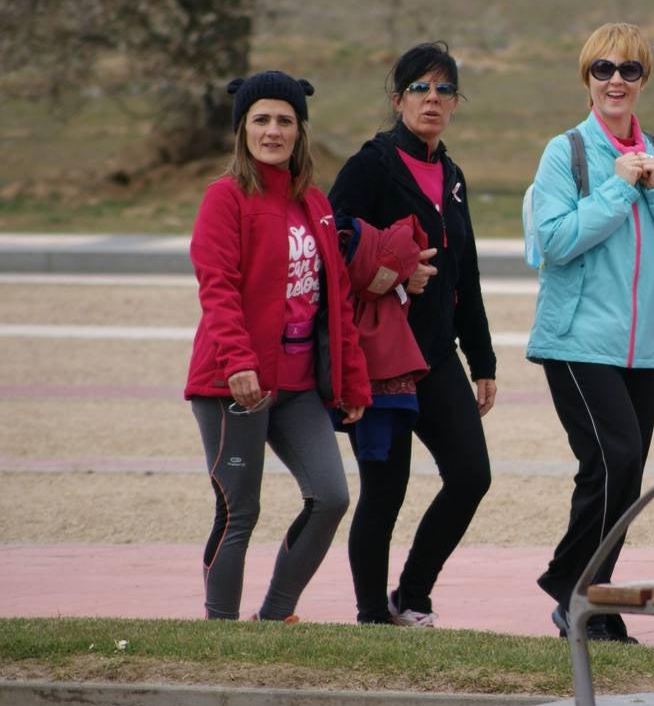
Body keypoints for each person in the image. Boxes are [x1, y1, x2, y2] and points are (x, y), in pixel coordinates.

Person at [527, 23, 654, 644]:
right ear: (587, 77)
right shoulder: (566, 152)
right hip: (575, 340)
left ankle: (587, 599)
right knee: (616, 457)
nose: (615, 81)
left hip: (641, 347)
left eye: (629, 70)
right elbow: (554, 241)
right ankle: (575, 590)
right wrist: (618, 185)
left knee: (620, 475)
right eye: (603, 69)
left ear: (644, 79)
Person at [185, 70, 370, 622]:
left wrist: (353, 379)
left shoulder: (314, 201)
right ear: (243, 130)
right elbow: (216, 286)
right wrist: (238, 362)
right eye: (261, 120)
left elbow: (335, 298)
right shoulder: (225, 198)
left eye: (284, 121)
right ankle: (220, 630)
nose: (273, 131)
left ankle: (275, 616)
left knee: (331, 497)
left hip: (298, 386)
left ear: (300, 131)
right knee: (240, 509)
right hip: (233, 385)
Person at [328, 41, 497, 627]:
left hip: (438, 353)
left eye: (444, 89)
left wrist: (483, 359)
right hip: (381, 357)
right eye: (420, 88)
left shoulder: (451, 175)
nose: (432, 99)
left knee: (472, 476)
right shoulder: (372, 163)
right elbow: (335, 240)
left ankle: (414, 595)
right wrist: (396, 269)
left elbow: (466, 271)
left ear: (455, 103)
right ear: (397, 99)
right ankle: (373, 616)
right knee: (385, 491)